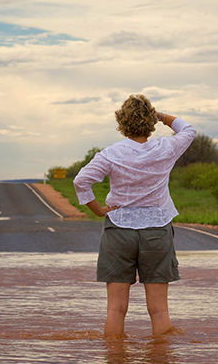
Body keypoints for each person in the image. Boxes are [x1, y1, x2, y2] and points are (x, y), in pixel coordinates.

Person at [73, 94, 196, 337]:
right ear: (150, 123)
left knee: (115, 309)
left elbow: (81, 181)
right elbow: (188, 129)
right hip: (157, 230)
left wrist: (98, 210)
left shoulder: (111, 154)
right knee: (159, 310)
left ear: (122, 123)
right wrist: (159, 115)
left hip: (118, 231)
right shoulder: (165, 148)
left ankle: (114, 357)